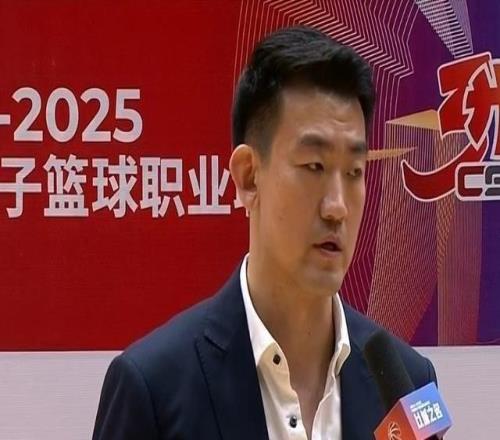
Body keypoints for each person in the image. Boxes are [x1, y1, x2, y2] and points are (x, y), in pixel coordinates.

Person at [92, 26, 436, 440]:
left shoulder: (408, 383)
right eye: (314, 167)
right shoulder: (154, 388)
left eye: (354, 172)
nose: (337, 207)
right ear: (249, 177)